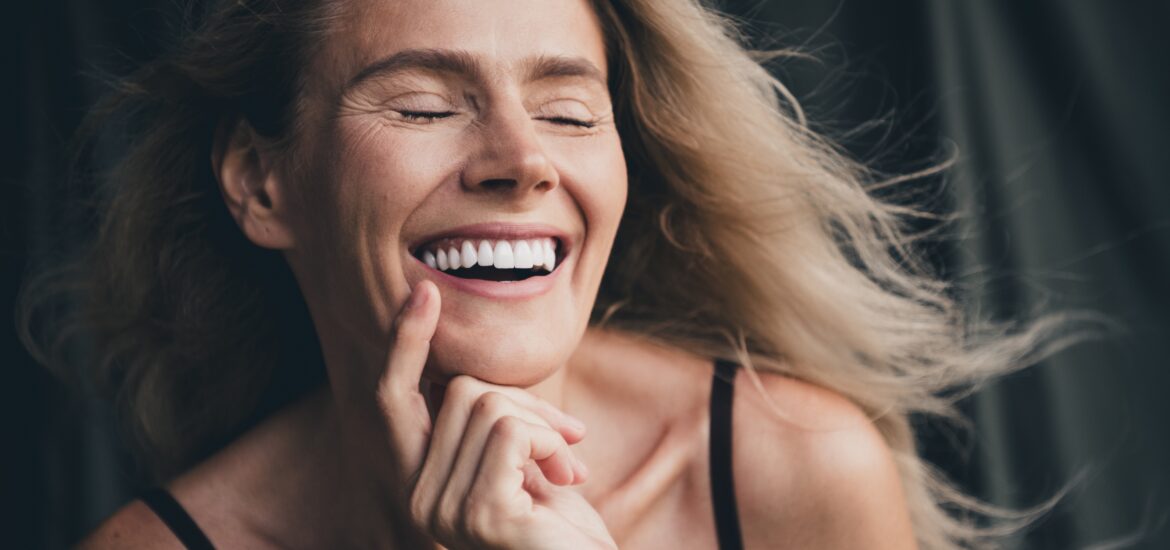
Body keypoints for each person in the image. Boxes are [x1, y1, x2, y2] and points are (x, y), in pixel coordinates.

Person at [21, 0, 1064, 548]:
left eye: (569, 112)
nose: (523, 160)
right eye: (425, 105)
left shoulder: (792, 474)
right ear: (262, 182)